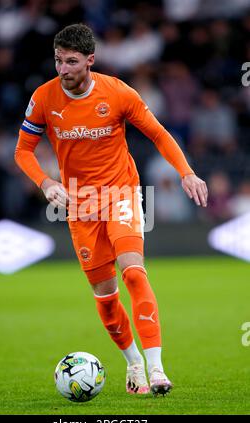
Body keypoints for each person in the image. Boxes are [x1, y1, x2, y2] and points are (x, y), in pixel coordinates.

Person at [15, 23, 208, 396]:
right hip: (78, 204)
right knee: (106, 299)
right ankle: (133, 363)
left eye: (71, 61)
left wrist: (186, 173)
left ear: (90, 60)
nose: (63, 69)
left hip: (121, 193)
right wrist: (46, 182)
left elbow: (159, 133)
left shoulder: (118, 92)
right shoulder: (43, 98)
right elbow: (22, 151)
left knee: (133, 272)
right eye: (58, 61)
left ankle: (157, 369)